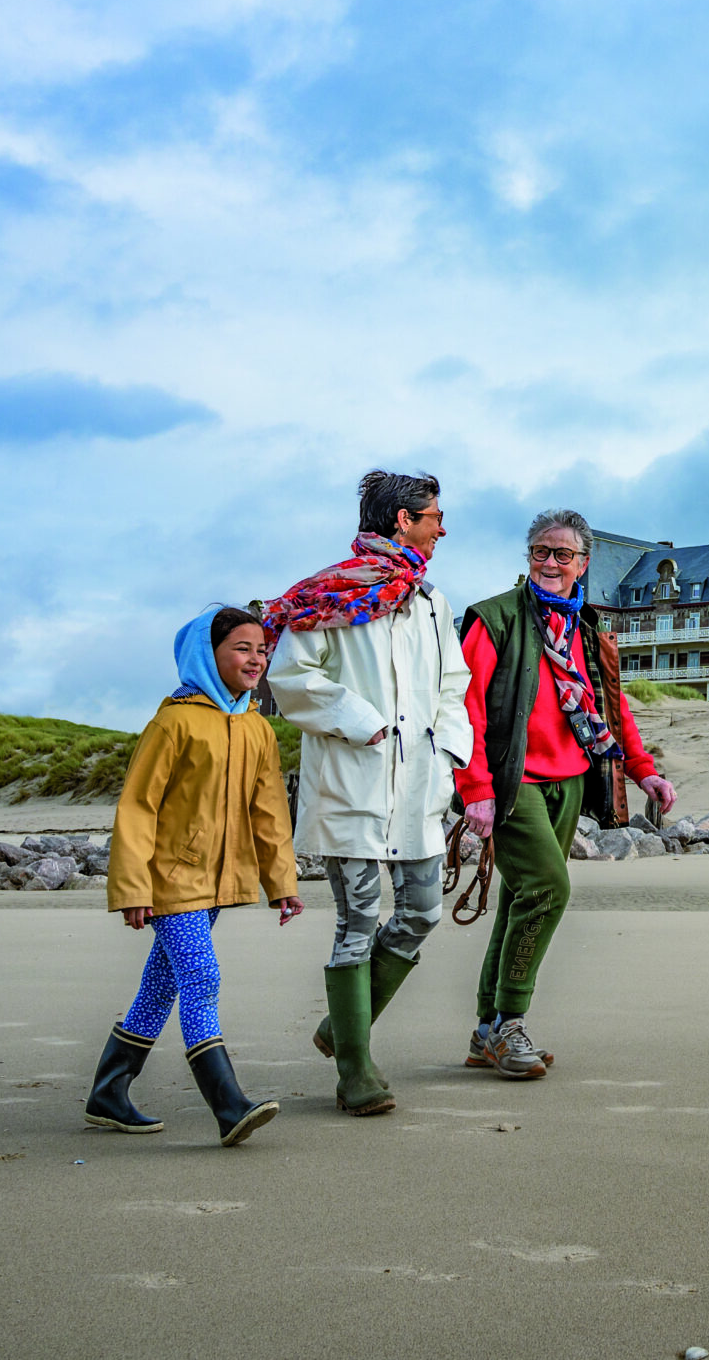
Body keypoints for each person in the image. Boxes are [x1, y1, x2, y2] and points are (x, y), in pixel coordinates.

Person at [264, 470, 472, 1116]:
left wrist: (451, 754)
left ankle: (341, 1025)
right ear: (402, 520)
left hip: (418, 785)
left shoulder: (430, 601)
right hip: (350, 780)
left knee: (422, 913)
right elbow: (290, 676)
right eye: (434, 515)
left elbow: (452, 684)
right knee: (355, 922)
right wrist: (361, 719)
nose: (443, 526)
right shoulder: (326, 595)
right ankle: (355, 1069)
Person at [454, 509, 675, 1079]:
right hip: (511, 782)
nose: (550, 563)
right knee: (549, 888)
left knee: (518, 897)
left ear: (584, 562)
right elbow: (466, 709)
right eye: (540, 552)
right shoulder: (495, 618)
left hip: (572, 779)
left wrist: (642, 770)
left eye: (562, 554)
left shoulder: (588, 627)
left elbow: (611, 706)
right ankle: (510, 1022)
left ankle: (485, 1033)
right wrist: (474, 787)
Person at [86, 605, 302, 1147]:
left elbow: (270, 812)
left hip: (216, 884)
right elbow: (137, 808)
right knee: (201, 979)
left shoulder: (256, 728)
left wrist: (282, 883)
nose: (256, 659)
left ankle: (108, 1094)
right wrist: (134, 888)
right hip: (170, 881)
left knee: (160, 986)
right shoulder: (174, 721)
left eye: (262, 649)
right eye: (242, 648)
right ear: (208, 653)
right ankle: (229, 1106)